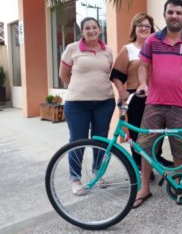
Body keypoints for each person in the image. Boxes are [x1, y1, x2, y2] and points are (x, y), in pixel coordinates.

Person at [133, 0, 182, 208]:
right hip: (154, 103)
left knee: (181, 150)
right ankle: (144, 187)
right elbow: (143, 66)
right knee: (146, 148)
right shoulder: (153, 40)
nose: (174, 16)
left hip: (181, 107)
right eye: (171, 12)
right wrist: (143, 84)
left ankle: (179, 185)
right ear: (165, 14)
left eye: (178, 13)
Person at [110, 13, 172, 177]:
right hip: (135, 97)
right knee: (137, 133)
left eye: (147, 26)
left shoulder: (157, 48)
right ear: (135, 28)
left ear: (151, 29)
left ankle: (154, 160)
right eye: (140, 25)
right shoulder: (128, 50)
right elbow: (116, 75)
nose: (144, 28)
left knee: (156, 131)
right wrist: (122, 92)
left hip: (156, 97)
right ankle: (139, 166)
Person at [59, 17, 115, 196]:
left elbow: (109, 73)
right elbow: (63, 74)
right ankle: (75, 178)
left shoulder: (108, 51)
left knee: (101, 140)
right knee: (78, 140)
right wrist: (77, 89)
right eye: (87, 28)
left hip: (104, 102)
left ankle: (98, 174)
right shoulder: (72, 49)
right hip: (77, 104)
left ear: (100, 30)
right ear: (82, 32)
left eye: (94, 27)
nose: (91, 31)